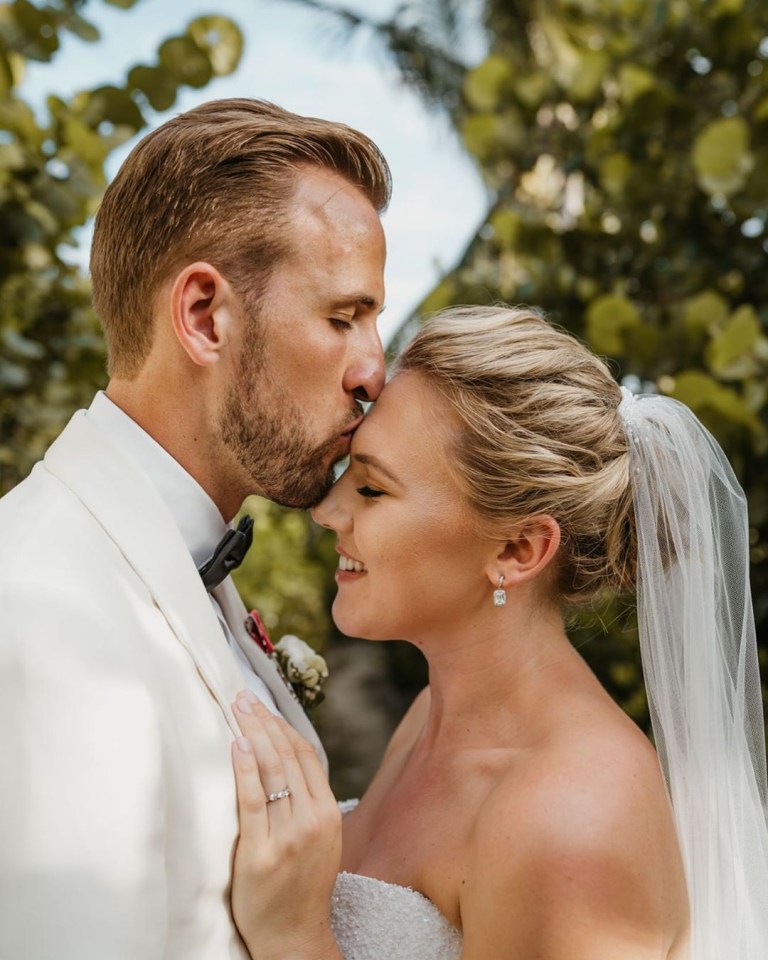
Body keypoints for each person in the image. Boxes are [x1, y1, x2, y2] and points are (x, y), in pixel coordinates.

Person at [230, 305, 768, 960]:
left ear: (518, 549)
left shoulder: (574, 818)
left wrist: (294, 939)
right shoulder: (430, 716)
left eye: (372, 490)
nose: (326, 510)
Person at [0, 97, 390, 959]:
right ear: (206, 316)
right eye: (343, 317)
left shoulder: (173, 562)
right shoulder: (41, 616)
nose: (374, 372)